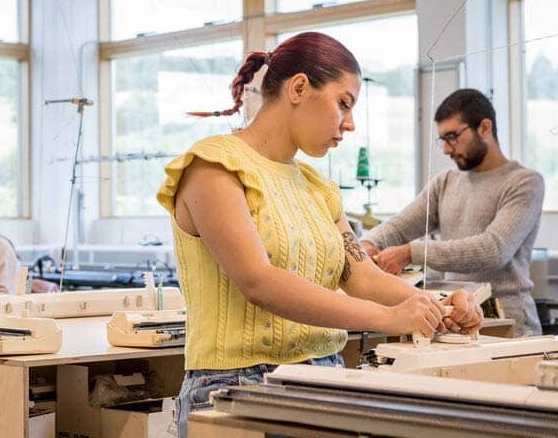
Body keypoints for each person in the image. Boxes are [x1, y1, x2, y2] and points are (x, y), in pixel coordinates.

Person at [155, 32, 483, 438]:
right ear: (298, 88)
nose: (350, 123)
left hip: (325, 380)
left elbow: (360, 275)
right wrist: (390, 318)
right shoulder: (214, 167)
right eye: (343, 103)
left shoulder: (317, 187)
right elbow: (258, 281)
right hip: (236, 389)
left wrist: (438, 306)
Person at [361, 89, 544, 337]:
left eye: (453, 137)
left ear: (484, 128)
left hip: (509, 324)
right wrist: (365, 246)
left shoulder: (525, 182)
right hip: (455, 320)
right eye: (442, 140)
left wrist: (411, 253)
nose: (447, 149)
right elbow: (400, 226)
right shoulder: (445, 182)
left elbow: (494, 249)